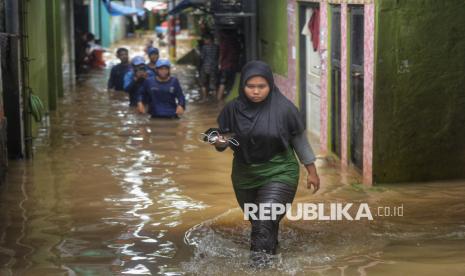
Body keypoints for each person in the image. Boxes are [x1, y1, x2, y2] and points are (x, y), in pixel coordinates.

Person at [211, 61, 320, 266]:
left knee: (264, 219)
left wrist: (311, 171)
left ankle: (259, 268)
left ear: (270, 85)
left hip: (280, 170)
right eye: (250, 86)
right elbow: (223, 141)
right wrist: (219, 142)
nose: (256, 91)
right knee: (261, 223)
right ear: (242, 86)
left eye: (262, 86)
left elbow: (299, 141)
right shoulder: (232, 110)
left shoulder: (284, 109)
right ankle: (272, 256)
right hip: (245, 175)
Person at [217, 30, 241, 101]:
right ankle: (227, 99)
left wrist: (219, 64)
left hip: (225, 65)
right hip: (233, 65)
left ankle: (218, 100)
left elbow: (222, 55)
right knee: (231, 83)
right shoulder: (235, 42)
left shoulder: (224, 43)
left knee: (222, 82)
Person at [199, 34, 219, 102]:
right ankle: (216, 100)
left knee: (203, 83)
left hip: (205, 67)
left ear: (209, 40)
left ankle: (204, 98)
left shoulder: (204, 47)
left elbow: (202, 57)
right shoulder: (216, 47)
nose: (204, 41)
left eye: (205, 39)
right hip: (214, 67)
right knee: (213, 84)